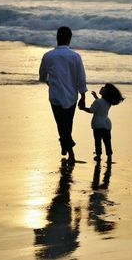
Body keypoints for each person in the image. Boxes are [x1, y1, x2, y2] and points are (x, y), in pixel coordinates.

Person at [39, 26, 87, 163]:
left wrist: (48, 82)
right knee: (67, 123)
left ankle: (65, 145)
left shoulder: (48, 56)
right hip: (72, 96)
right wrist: (83, 96)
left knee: (61, 124)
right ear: (69, 39)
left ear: (57, 38)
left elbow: (42, 75)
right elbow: (81, 77)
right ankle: (70, 150)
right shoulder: (75, 56)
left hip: (55, 96)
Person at [79, 83, 124, 163]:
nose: (102, 88)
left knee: (97, 141)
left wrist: (83, 108)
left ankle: (98, 156)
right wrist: (95, 97)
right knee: (107, 141)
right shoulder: (108, 102)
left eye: (104, 88)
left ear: (105, 92)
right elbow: (101, 104)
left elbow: (91, 110)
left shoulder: (98, 102)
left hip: (97, 124)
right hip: (106, 124)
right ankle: (109, 157)